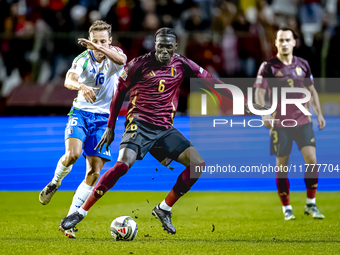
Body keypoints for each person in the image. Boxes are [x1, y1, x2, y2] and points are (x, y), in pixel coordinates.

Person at [59, 27, 267, 235]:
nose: (164, 51)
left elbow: (213, 83)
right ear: (154, 45)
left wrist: (246, 104)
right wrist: (111, 127)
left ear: (175, 47)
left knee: (198, 165)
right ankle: (80, 212)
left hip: (165, 128)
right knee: (122, 165)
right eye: (160, 46)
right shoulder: (138, 64)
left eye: (169, 47)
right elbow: (118, 92)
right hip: (138, 124)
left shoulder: (182, 63)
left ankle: (163, 209)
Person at [39, 20, 127, 238]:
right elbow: (69, 79)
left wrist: (100, 48)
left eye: (103, 41)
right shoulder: (82, 60)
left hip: (104, 119)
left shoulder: (115, 56)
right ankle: (55, 182)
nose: (98, 46)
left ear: (110, 41)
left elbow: (123, 60)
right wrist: (82, 86)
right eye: (95, 41)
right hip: (81, 113)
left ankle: (68, 221)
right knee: (73, 155)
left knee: (94, 172)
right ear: (89, 42)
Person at [254, 27, 326, 220]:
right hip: (280, 124)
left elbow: (311, 90)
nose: (284, 43)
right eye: (281, 40)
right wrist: (263, 114)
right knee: (282, 167)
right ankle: (287, 207)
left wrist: (319, 114)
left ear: (295, 42)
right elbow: (259, 92)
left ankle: (311, 204)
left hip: (303, 121)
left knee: (312, 160)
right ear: (276, 43)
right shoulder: (268, 67)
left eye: (288, 40)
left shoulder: (303, 65)